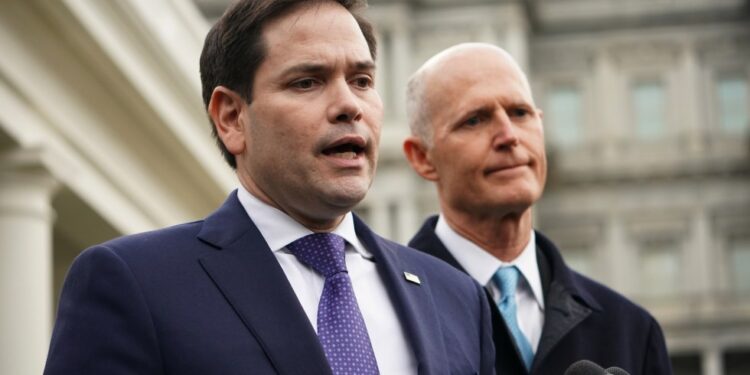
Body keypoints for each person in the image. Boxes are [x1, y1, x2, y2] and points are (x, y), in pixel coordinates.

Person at [43, 3, 495, 374]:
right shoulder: (132, 284)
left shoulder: (456, 297)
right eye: (307, 82)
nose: (348, 105)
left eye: (362, 81)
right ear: (231, 118)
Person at [402, 43, 672, 375]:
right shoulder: (386, 314)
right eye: (474, 120)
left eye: (520, 113)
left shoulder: (631, 331)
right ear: (422, 157)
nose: (509, 135)